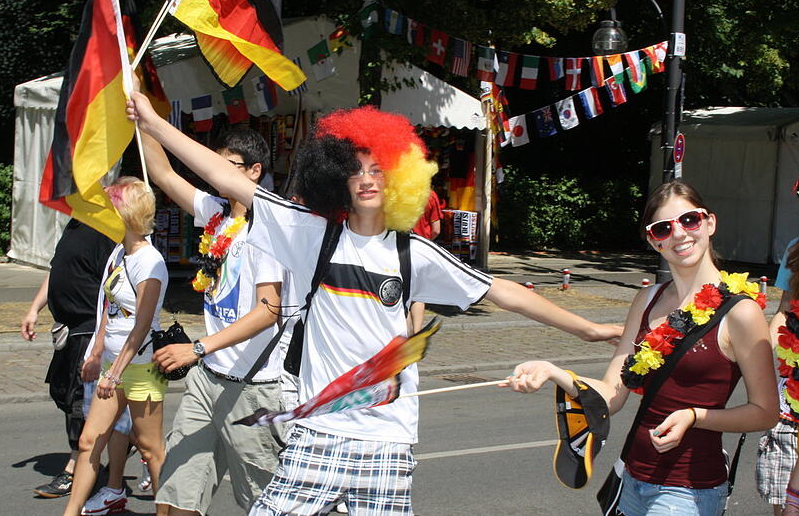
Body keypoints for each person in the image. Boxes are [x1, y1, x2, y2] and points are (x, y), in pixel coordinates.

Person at [127, 95, 621, 515]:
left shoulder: (413, 253)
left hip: (387, 439)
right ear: (337, 178)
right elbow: (226, 177)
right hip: (316, 434)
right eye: (355, 169)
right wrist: (152, 122)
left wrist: (588, 331)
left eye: (378, 169)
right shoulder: (310, 236)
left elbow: (502, 291)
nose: (366, 179)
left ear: (399, 179)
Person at [506, 180, 778, 516]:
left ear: (709, 222)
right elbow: (611, 394)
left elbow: (765, 411)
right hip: (631, 478)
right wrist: (552, 372)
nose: (679, 234)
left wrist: (695, 417)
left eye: (689, 220)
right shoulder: (647, 300)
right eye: (664, 228)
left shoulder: (740, 311)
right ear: (654, 241)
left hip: (687, 492)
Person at [135, 129, 289, 516]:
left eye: (228, 166)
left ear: (254, 171)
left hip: (252, 388)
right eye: (214, 164)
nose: (216, 173)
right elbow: (163, 174)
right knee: (175, 492)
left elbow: (268, 310)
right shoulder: (217, 213)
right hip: (208, 379)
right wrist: (143, 114)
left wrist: (199, 347)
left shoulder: (267, 228)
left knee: (268, 503)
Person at [64, 177, 169, 516]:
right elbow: (110, 308)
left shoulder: (150, 262)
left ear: (127, 212)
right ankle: (71, 512)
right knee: (88, 440)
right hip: (114, 364)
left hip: (140, 368)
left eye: (111, 205)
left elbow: (141, 326)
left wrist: (114, 373)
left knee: (151, 449)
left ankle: (169, 510)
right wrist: (97, 353)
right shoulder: (118, 253)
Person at [20, 219, 116, 498]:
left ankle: (75, 469)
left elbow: (113, 288)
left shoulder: (106, 231)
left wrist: (101, 340)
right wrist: (34, 309)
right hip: (69, 328)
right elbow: (57, 272)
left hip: (89, 328)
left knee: (78, 403)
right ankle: (129, 437)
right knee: (62, 393)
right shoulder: (74, 226)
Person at [757, 174, 799, 515]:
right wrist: (755, 353)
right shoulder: (798, 249)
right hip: (796, 384)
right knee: (783, 477)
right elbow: (784, 312)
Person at [409, 189, 443, 332]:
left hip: (397, 247)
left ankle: (404, 333)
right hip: (421, 249)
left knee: (401, 294)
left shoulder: (395, 191)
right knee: (418, 294)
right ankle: (417, 332)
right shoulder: (430, 195)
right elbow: (436, 229)